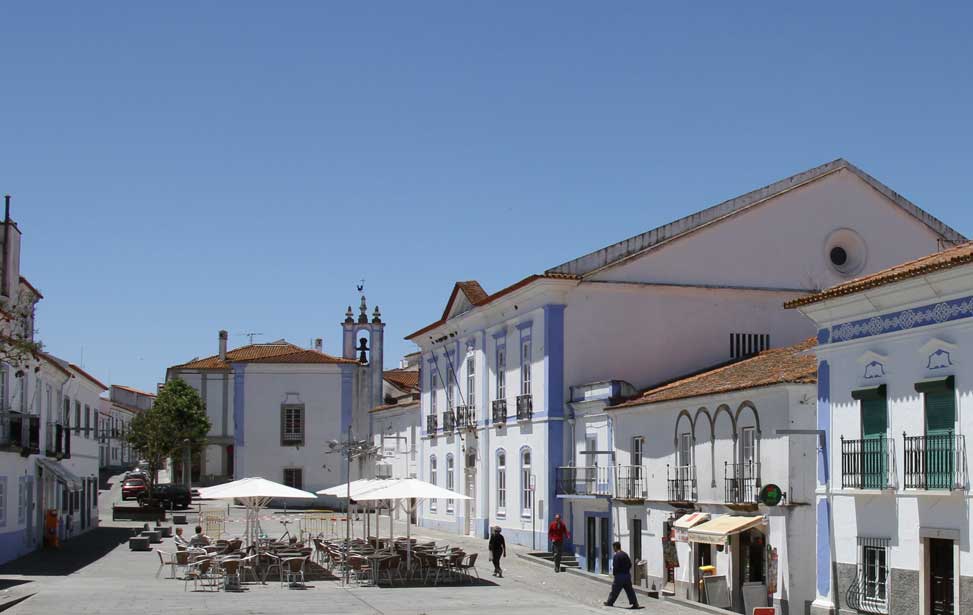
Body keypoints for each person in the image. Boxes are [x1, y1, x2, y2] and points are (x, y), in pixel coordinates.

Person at [604, 541, 640, 609]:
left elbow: (615, 566)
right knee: (630, 590)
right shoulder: (625, 554)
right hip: (627, 575)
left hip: (619, 576)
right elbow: (630, 564)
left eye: (613, 547)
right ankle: (635, 604)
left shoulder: (616, 555)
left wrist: (615, 574)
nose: (613, 549)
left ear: (615, 547)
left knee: (615, 590)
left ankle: (609, 602)